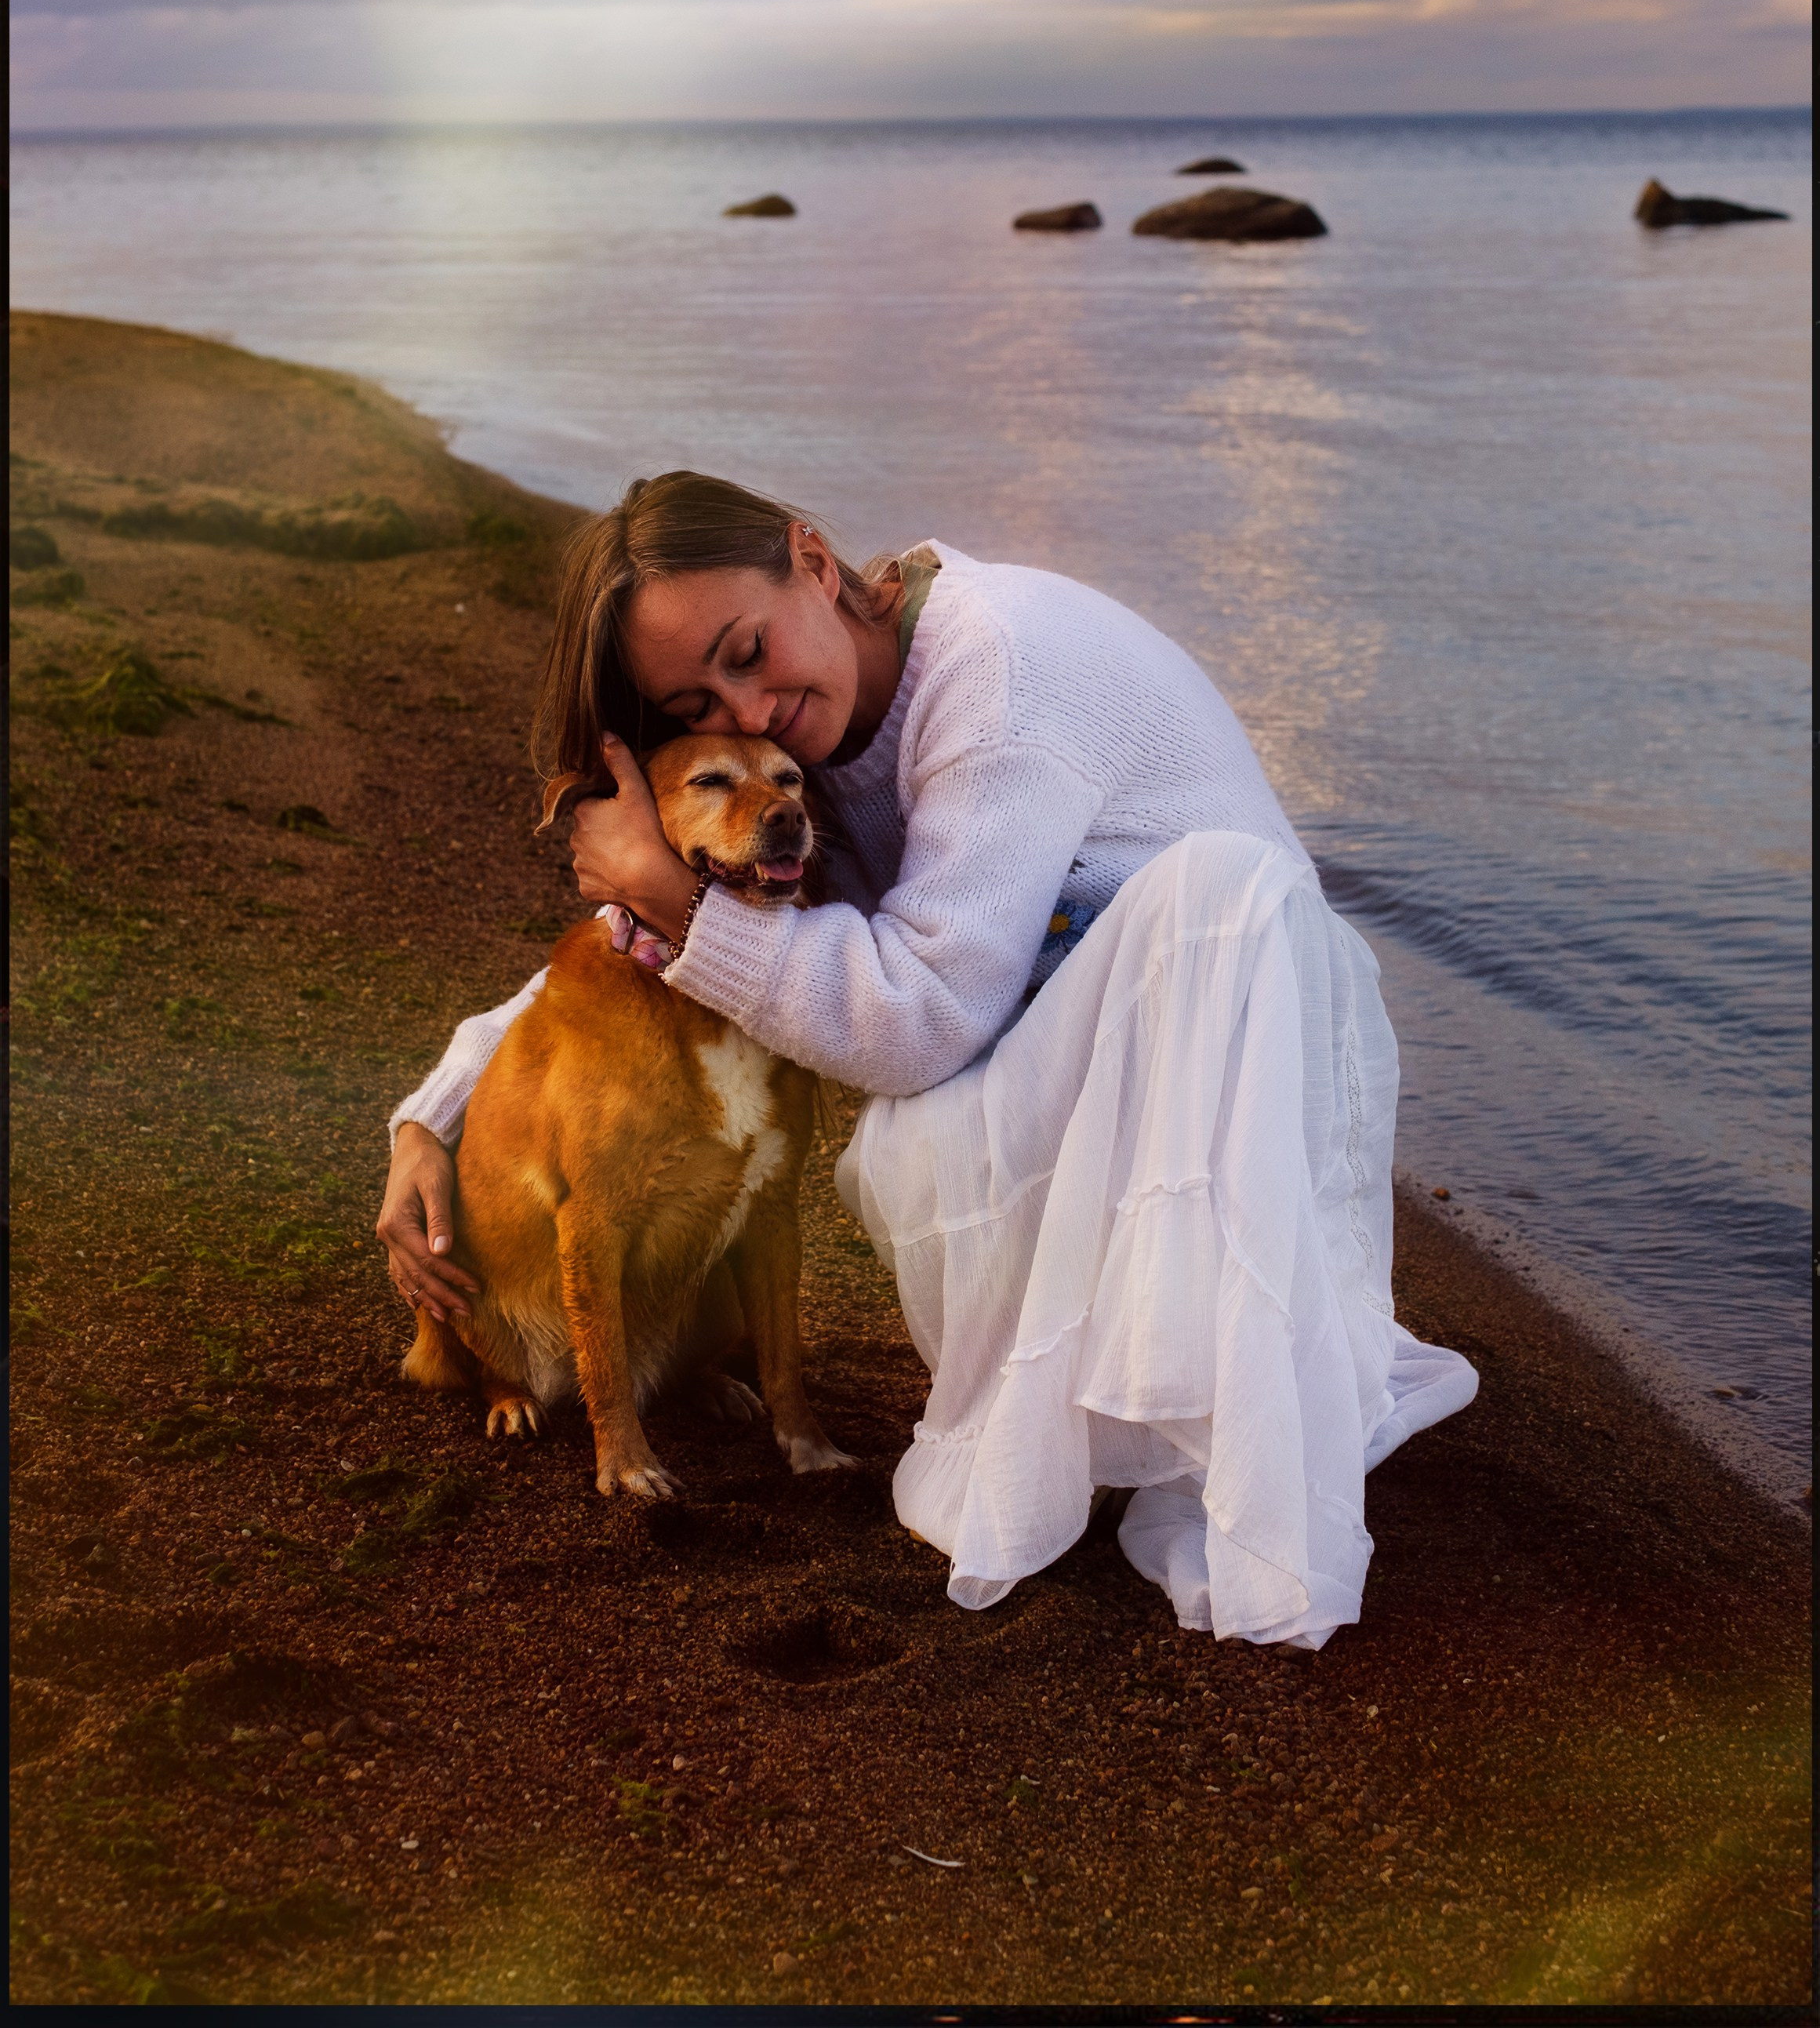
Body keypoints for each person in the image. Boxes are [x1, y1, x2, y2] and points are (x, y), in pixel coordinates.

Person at [376, 471, 1476, 1648]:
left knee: (912, 1110)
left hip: (1232, 1045)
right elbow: (609, 967)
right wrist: (430, 1119)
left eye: (747, 651)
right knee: (909, 1127)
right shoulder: (806, 748)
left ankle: (1179, 1404)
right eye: (698, 699)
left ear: (811, 557)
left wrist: (672, 897)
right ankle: (1114, 1400)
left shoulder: (996, 675)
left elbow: (919, 1024)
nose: (748, 710)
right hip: (1075, 1044)